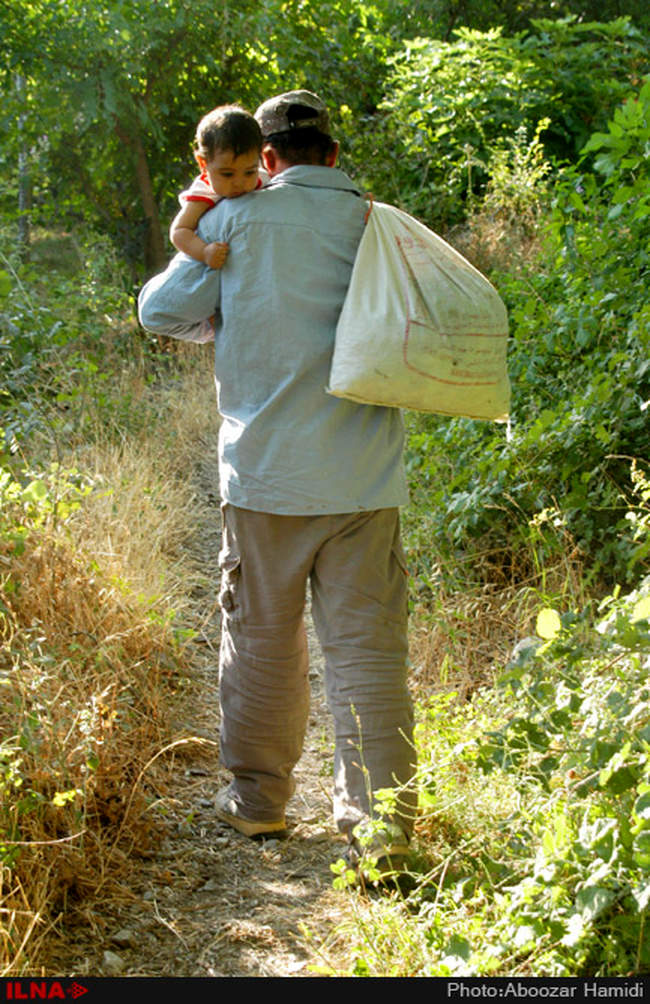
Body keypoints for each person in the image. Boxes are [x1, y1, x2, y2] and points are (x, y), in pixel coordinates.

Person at [139, 90, 416, 867]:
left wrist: (217, 314)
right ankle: (383, 832)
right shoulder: (376, 225)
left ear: (265, 161)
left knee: (262, 640)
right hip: (365, 479)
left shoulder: (232, 221)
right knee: (366, 652)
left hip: (264, 480)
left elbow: (159, 313)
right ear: (331, 155)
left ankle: (259, 805)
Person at [170, 105, 265, 271]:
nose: (239, 182)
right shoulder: (204, 193)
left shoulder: (264, 178)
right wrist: (204, 252)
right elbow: (179, 231)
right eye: (228, 174)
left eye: (249, 172)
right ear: (203, 164)